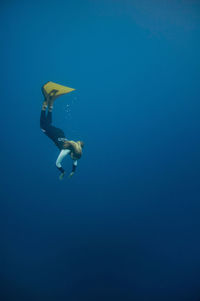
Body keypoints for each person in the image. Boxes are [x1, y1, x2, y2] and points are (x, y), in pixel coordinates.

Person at [40, 88, 84, 180]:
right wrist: (63, 172)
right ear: (72, 154)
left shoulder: (76, 148)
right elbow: (57, 163)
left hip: (60, 133)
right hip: (55, 134)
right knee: (43, 126)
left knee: (48, 124)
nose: (73, 159)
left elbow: (75, 162)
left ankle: (51, 100)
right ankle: (46, 100)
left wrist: (72, 171)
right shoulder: (65, 151)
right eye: (74, 158)